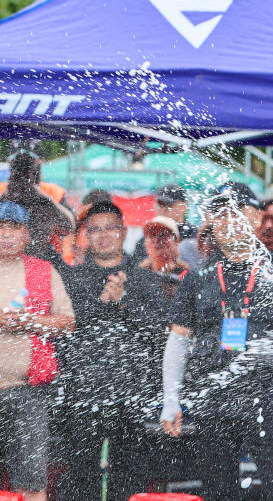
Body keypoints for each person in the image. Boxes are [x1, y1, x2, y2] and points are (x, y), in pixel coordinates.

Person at [159, 181, 273, 501]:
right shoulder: (198, 276)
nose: (229, 221)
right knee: (218, 493)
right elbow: (178, 340)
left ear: (256, 217)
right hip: (214, 403)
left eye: (237, 212)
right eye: (221, 215)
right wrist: (170, 400)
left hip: (269, 401)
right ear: (211, 222)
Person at [58, 200, 171, 501]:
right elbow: (65, 327)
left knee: (130, 476)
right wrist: (101, 303)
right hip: (83, 394)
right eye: (95, 229)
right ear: (85, 235)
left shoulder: (144, 277)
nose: (103, 235)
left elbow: (160, 331)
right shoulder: (73, 278)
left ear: (123, 231)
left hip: (132, 395)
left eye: (110, 228)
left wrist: (124, 302)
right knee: (80, 476)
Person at [0, 201, 75, 501]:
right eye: (0, 227)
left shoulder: (43, 271)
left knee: (30, 481)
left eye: (14, 227)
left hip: (28, 393)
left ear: (27, 235)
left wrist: (29, 322)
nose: (6, 234)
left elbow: (67, 324)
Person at [0, 151, 75, 264]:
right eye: (17, 169)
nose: (22, 174)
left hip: (43, 256)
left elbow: (68, 227)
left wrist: (38, 195)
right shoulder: (3, 192)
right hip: (7, 256)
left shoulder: (52, 192)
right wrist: (8, 195)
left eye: (28, 169)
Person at [133, 185, 194, 263]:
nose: (163, 210)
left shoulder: (194, 235)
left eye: (168, 205)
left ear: (183, 207)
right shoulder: (147, 238)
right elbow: (135, 266)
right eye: (159, 205)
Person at [137, 215, 190, 300]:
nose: (157, 241)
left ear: (176, 241)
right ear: (145, 243)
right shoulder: (138, 277)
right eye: (152, 235)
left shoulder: (186, 276)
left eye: (163, 235)